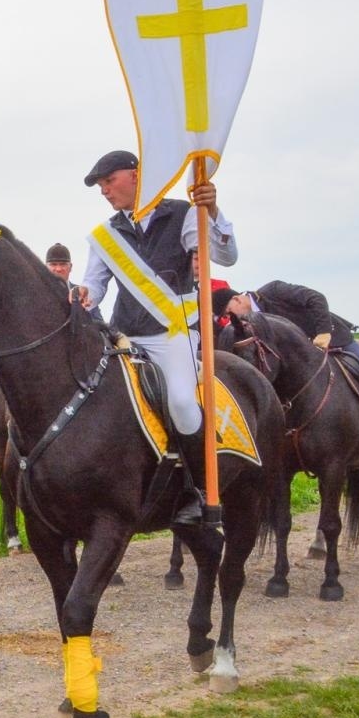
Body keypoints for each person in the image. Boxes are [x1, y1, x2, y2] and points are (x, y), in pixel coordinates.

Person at [78, 150, 236, 527]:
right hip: (125, 338)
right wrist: (83, 295)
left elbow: (226, 255)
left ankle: (197, 491)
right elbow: (94, 287)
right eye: (100, 186)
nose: (103, 191)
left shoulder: (183, 214)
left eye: (108, 182)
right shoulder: (105, 235)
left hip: (172, 334)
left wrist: (212, 212)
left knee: (182, 403)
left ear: (135, 175)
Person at [213, 282, 359, 436]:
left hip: (332, 340)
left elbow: (316, 298)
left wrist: (323, 333)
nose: (230, 319)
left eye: (229, 313)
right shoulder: (252, 326)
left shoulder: (273, 291)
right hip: (303, 361)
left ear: (237, 299)